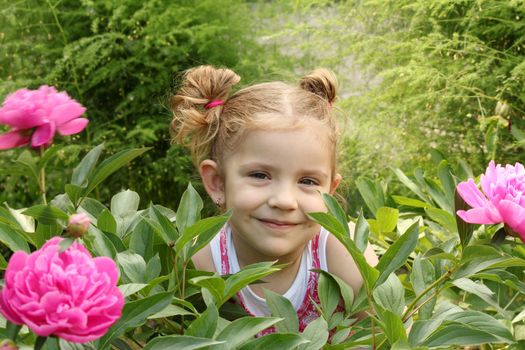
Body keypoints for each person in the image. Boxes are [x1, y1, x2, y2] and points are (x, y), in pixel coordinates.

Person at [170, 65, 378, 332]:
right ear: (217, 182)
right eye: (259, 175)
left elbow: (391, 340)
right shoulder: (198, 263)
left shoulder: (346, 254)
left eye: (307, 181)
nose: (284, 200)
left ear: (330, 191)